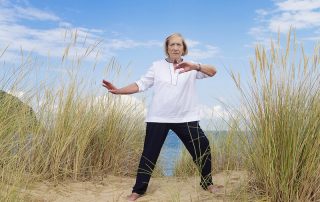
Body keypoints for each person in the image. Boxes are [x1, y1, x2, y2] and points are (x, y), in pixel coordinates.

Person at [102, 33, 221, 201]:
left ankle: (207, 183)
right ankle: (138, 190)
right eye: (172, 45)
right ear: (167, 48)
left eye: (178, 45)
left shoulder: (192, 67)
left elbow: (213, 71)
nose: (175, 47)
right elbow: (140, 84)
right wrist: (118, 90)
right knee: (149, 154)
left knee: (203, 147)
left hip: (186, 117)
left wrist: (196, 66)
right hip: (158, 117)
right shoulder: (157, 66)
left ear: (183, 48)